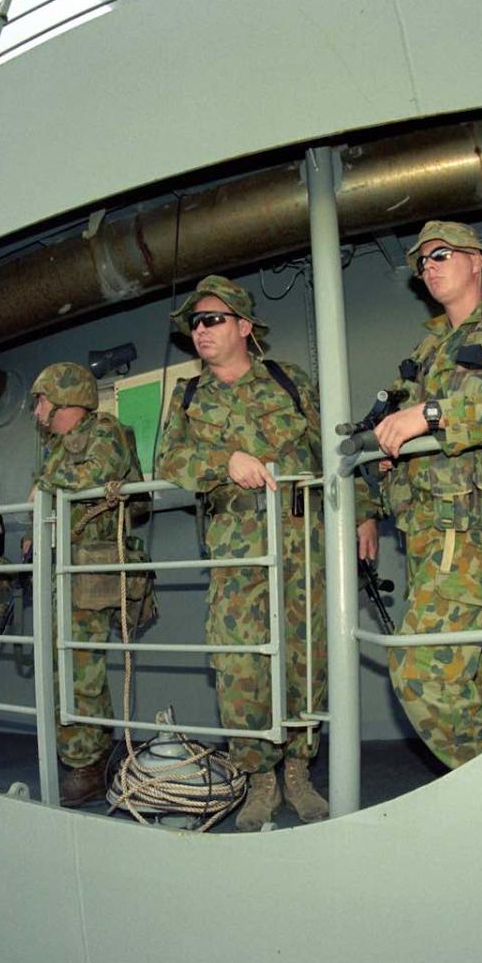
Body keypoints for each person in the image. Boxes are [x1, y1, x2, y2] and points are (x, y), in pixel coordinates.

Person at [359, 220, 482, 769]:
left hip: (472, 519)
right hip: (427, 525)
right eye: (423, 261)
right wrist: (379, 481)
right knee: (461, 668)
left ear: (476, 261)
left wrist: (429, 414)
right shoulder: (428, 348)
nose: (429, 267)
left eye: (441, 254)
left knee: (419, 669)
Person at [155, 275, 328, 831]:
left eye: (213, 319)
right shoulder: (188, 396)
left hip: (300, 539)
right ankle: (259, 778)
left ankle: (298, 769)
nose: (200, 330)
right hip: (235, 547)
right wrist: (224, 460)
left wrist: (365, 514)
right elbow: (168, 461)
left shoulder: (288, 381)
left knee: (305, 655)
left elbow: (327, 450)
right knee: (238, 664)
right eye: (195, 323)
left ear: (244, 327)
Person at [28, 362, 148, 806]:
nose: (37, 410)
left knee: (79, 669)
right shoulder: (58, 448)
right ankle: (91, 756)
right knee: (70, 667)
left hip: (91, 570)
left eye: (41, 400)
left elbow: (96, 474)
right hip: (67, 569)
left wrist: (44, 485)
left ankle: (85, 763)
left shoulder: (105, 431)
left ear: (65, 397)